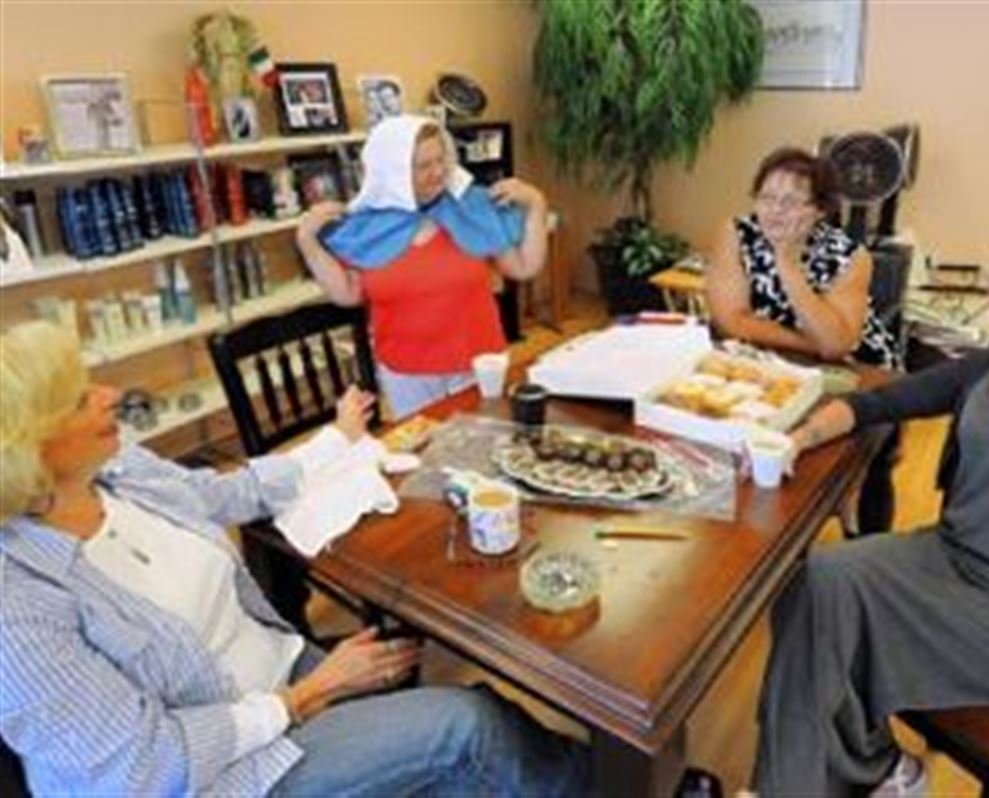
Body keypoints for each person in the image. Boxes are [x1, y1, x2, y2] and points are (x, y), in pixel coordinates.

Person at [0, 320, 590, 797]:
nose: (111, 397)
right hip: (230, 775)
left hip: (278, 680)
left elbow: (225, 493)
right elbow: (142, 771)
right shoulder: (18, 608)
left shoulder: (119, 472)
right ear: (29, 450)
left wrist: (336, 440)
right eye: (80, 400)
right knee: (470, 725)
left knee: (464, 736)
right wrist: (306, 698)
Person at [752, 227, 989, 796]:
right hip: (948, 559)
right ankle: (872, 768)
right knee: (815, 580)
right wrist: (796, 438)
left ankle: (811, 782)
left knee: (830, 624)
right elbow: (878, 401)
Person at [295, 115, 548, 419]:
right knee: (425, 445)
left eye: (441, 160)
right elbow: (348, 294)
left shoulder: (472, 207)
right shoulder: (365, 226)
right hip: (406, 372)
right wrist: (308, 242)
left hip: (479, 361)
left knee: (487, 439)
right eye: (423, 166)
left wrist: (536, 204)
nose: (438, 172)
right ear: (393, 172)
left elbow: (524, 267)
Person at [707, 146, 900, 532]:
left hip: (855, 369)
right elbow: (731, 321)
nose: (775, 211)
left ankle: (854, 519)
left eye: (792, 201)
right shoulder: (738, 233)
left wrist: (787, 264)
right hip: (769, 358)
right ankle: (754, 524)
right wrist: (813, 343)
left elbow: (838, 345)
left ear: (820, 209)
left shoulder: (851, 256)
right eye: (767, 197)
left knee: (853, 455)